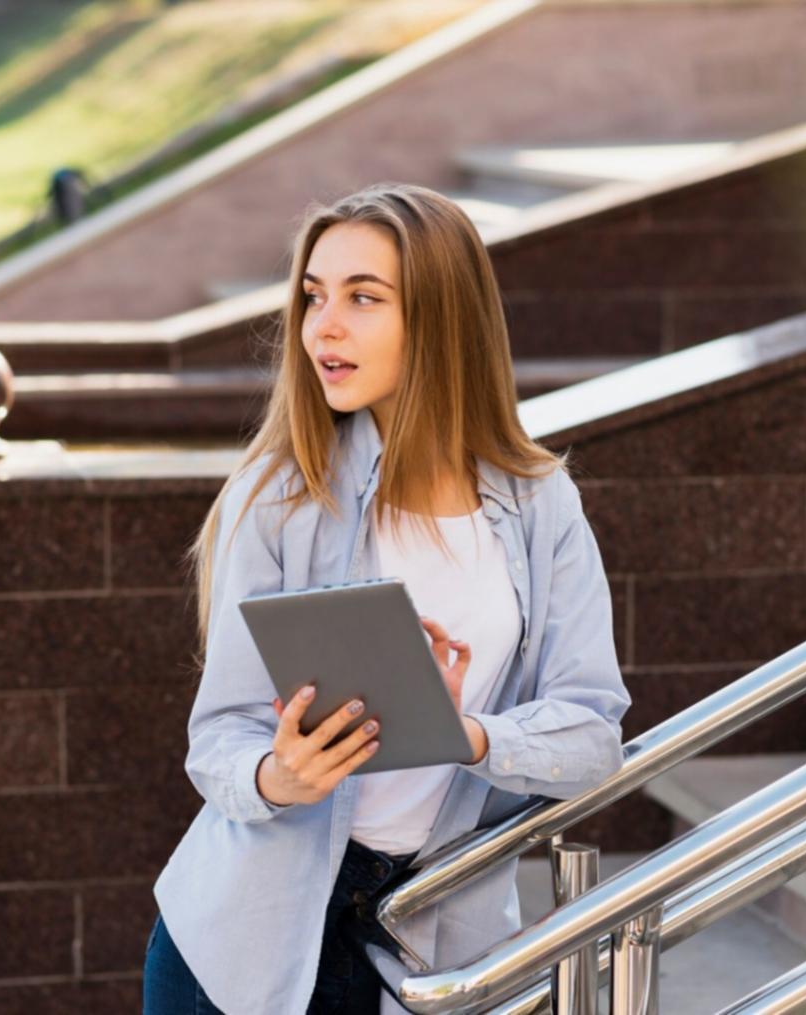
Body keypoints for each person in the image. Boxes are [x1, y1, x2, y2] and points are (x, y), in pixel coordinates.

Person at [143, 182, 630, 1014]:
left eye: (363, 298)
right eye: (313, 296)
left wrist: (469, 734)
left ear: (441, 318)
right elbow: (217, 737)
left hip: (425, 946)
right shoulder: (280, 495)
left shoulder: (541, 504)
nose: (323, 326)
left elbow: (593, 737)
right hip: (240, 948)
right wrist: (276, 776)